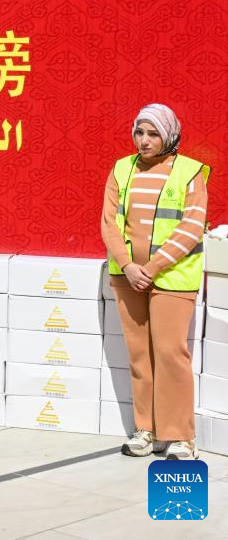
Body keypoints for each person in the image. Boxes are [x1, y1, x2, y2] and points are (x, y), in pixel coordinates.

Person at [101, 103, 210, 460]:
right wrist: (128, 266)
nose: (144, 140)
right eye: (139, 132)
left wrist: (152, 267)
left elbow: (191, 227)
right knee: (138, 354)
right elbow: (110, 224)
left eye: (153, 133)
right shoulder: (121, 169)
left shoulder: (190, 172)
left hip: (173, 278)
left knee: (169, 353)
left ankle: (180, 436)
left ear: (170, 135)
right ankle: (146, 430)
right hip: (128, 276)